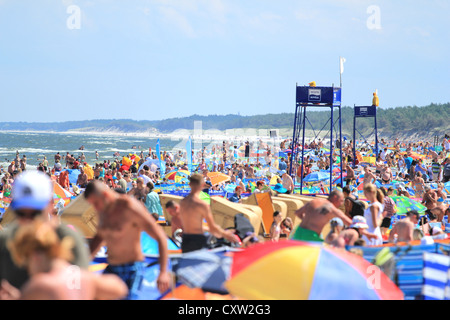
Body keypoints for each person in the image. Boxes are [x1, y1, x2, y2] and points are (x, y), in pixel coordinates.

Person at [0, 171, 90, 292]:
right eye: (21, 213)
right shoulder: (5, 241)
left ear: (50, 205)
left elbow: (77, 290)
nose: (28, 220)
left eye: (35, 213)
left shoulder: (67, 239)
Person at [84, 181, 171, 299]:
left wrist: (163, 272)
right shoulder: (103, 210)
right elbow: (99, 238)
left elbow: (160, 237)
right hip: (112, 266)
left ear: (105, 195)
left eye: (95, 203)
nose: (95, 207)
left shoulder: (130, 207)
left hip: (131, 268)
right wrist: (82, 264)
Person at [2, 220, 128, 300]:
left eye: (27, 264)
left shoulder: (41, 285)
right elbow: (120, 288)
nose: (29, 270)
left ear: (35, 256)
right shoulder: (84, 278)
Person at [179, 174, 239, 253]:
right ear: (202, 185)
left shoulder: (183, 202)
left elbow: (189, 224)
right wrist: (225, 234)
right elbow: (212, 227)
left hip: (186, 239)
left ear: (189, 184)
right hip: (198, 240)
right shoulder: (202, 205)